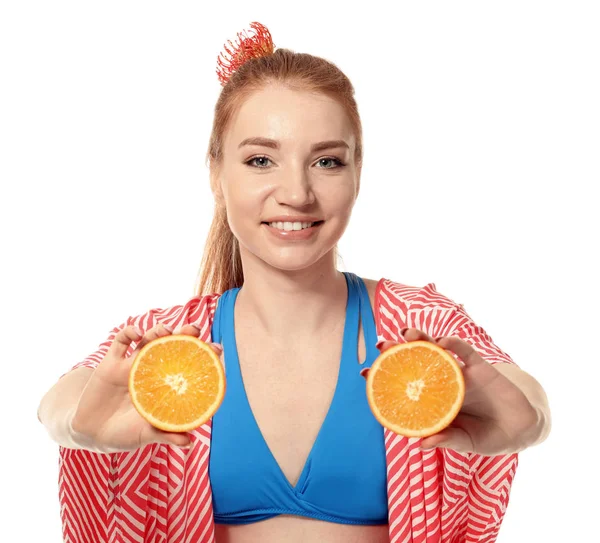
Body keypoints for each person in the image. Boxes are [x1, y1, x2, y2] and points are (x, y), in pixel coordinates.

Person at [38, 22, 551, 543]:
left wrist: (525, 421)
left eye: (327, 161)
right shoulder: (171, 344)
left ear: (357, 172)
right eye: (261, 160)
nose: (297, 193)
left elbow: (529, 403)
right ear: (216, 173)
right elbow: (59, 405)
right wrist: (81, 427)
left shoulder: (417, 328)